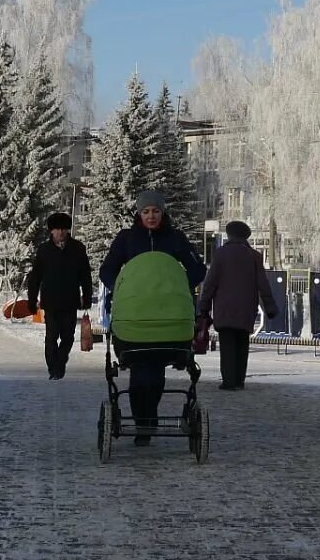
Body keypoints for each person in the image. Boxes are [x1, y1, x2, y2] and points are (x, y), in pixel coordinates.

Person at [98, 190, 206, 444]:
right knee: (142, 376)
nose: (151, 216)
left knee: (152, 376)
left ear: (163, 212)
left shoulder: (175, 239)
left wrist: (178, 285)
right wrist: (123, 288)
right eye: (146, 212)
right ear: (139, 213)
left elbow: (197, 269)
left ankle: (146, 424)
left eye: (156, 211)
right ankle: (144, 424)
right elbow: (107, 271)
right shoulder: (127, 239)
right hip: (136, 319)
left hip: (168, 319)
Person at [197, 220, 277, 390]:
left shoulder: (220, 254)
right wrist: (270, 308)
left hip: (224, 309)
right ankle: (239, 380)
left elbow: (210, 283)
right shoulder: (254, 256)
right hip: (246, 309)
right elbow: (263, 284)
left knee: (227, 345)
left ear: (229, 235)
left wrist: (203, 307)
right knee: (242, 344)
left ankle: (228, 381)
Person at [24, 212, 92, 380]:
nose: (61, 232)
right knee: (51, 337)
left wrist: (87, 296)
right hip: (51, 301)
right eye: (57, 229)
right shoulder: (44, 250)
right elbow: (35, 277)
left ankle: (60, 363)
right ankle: (53, 369)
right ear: (51, 231)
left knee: (68, 337)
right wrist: (32, 300)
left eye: (64, 229)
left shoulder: (77, 248)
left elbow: (85, 275)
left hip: (70, 300)